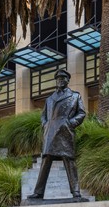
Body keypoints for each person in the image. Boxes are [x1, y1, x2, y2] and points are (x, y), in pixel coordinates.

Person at [28, 69, 86, 199]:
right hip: (50, 132)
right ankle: (38, 192)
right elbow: (43, 116)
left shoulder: (75, 96)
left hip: (65, 132)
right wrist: (45, 124)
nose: (60, 80)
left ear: (67, 80)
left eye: (63, 78)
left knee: (69, 160)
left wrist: (70, 123)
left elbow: (81, 113)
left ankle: (76, 191)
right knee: (45, 160)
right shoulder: (49, 99)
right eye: (58, 78)